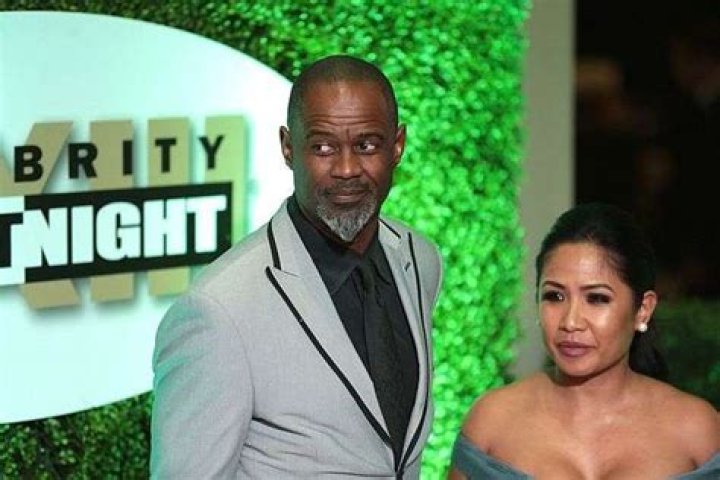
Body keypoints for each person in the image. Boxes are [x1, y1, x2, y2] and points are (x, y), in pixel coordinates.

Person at [150, 55, 443, 478]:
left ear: (397, 146)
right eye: (323, 147)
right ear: (288, 148)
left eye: (367, 145)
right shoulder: (219, 311)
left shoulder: (419, 259)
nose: (346, 169)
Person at [449, 203, 719, 479]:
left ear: (643, 309)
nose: (571, 321)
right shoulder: (492, 422)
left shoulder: (697, 431)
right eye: (555, 296)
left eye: (597, 298)